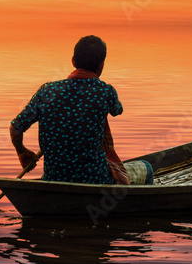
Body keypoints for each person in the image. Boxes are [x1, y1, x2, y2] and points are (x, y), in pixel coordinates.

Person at [9, 35, 125, 184]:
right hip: (96, 180)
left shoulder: (46, 92)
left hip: (54, 179)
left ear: (73, 61)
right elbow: (117, 110)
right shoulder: (106, 92)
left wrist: (21, 152)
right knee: (147, 169)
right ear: (101, 64)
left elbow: (15, 128)